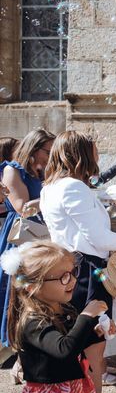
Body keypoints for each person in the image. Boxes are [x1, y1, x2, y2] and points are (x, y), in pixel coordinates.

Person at [40, 131, 116, 393]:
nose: (97, 154)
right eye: (94, 149)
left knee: (77, 345)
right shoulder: (73, 187)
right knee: (93, 349)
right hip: (87, 272)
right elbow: (97, 237)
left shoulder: (50, 186)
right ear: (82, 153)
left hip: (68, 268)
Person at [2, 241, 112, 393]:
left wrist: (94, 331)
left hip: (72, 389)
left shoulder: (63, 308)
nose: (73, 281)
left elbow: (74, 341)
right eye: (64, 277)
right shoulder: (32, 321)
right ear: (32, 286)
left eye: (73, 273)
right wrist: (85, 316)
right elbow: (64, 350)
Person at [0, 129, 55, 354]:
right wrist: (54, 196)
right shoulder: (13, 170)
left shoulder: (40, 172)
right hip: (21, 238)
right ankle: (17, 347)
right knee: (18, 293)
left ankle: (28, 350)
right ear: (33, 148)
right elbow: (23, 207)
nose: (50, 156)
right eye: (47, 151)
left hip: (40, 236)